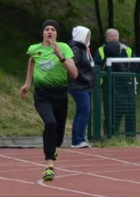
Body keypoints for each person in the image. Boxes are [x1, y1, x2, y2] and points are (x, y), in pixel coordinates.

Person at [20, 19, 78, 182]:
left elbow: (74, 74)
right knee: (50, 123)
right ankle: (49, 165)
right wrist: (27, 83)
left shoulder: (65, 48)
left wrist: (60, 56)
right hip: (42, 95)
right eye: (47, 29)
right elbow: (31, 61)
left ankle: (53, 146)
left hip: (60, 95)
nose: (50, 32)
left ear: (57, 33)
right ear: (43, 33)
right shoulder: (34, 49)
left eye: (53, 29)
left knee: (58, 135)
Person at [98, 28, 136, 137]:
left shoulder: (127, 50)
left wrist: (128, 75)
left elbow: (134, 64)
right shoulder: (101, 50)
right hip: (108, 86)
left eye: (116, 35)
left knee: (128, 110)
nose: (114, 37)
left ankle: (130, 136)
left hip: (125, 86)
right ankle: (110, 135)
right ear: (107, 38)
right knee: (110, 112)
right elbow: (97, 66)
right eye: (111, 36)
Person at [67, 26, 95, 148]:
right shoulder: (76, 49)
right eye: (87, 35)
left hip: (83, 85)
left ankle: (79, 138)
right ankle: (78, 139)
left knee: (83, 111)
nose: (89, 38)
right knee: (84, 110)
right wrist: (85, 78)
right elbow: (74, 67)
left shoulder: (83, 49)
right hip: (77, 85)